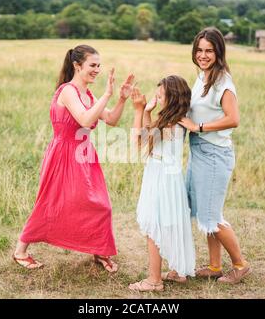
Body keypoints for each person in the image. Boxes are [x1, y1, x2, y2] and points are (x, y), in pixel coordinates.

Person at [13, 45, 134, 272]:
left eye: (99, 65)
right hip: (63, 153)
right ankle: (20, 251)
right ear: (77, 66)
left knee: (100, 204)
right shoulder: (68, 91)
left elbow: (111, 120)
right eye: (92, 65)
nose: (97, 70)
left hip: (84, 154)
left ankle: (99, 250)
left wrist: (121, 99)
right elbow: (86, 120)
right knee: (51, 202)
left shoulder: (87, 93)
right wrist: (107, 94)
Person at [179, 27, 251, 284]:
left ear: (219, 52)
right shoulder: (203, 76)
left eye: (209, 50)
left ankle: (241, 266)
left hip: (213, 155)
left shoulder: (223, 82)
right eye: (199, 50)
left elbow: (233, 119)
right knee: (204, 214)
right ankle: (214, 265)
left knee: (212, 216)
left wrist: (198, 127)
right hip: (199, 152)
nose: (203, 55)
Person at [128, 75, 195, 292]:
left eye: (160, 94)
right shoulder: (174, 120)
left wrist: (139, 110)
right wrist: (147, 112)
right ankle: (177, 270)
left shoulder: (171, 123)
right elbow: (150, 138)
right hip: (166, 173)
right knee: (169, 222)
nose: (156, 97)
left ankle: (154, 280)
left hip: (162, 176)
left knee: (154, 225)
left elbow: (139, 140)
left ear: (173, 97)